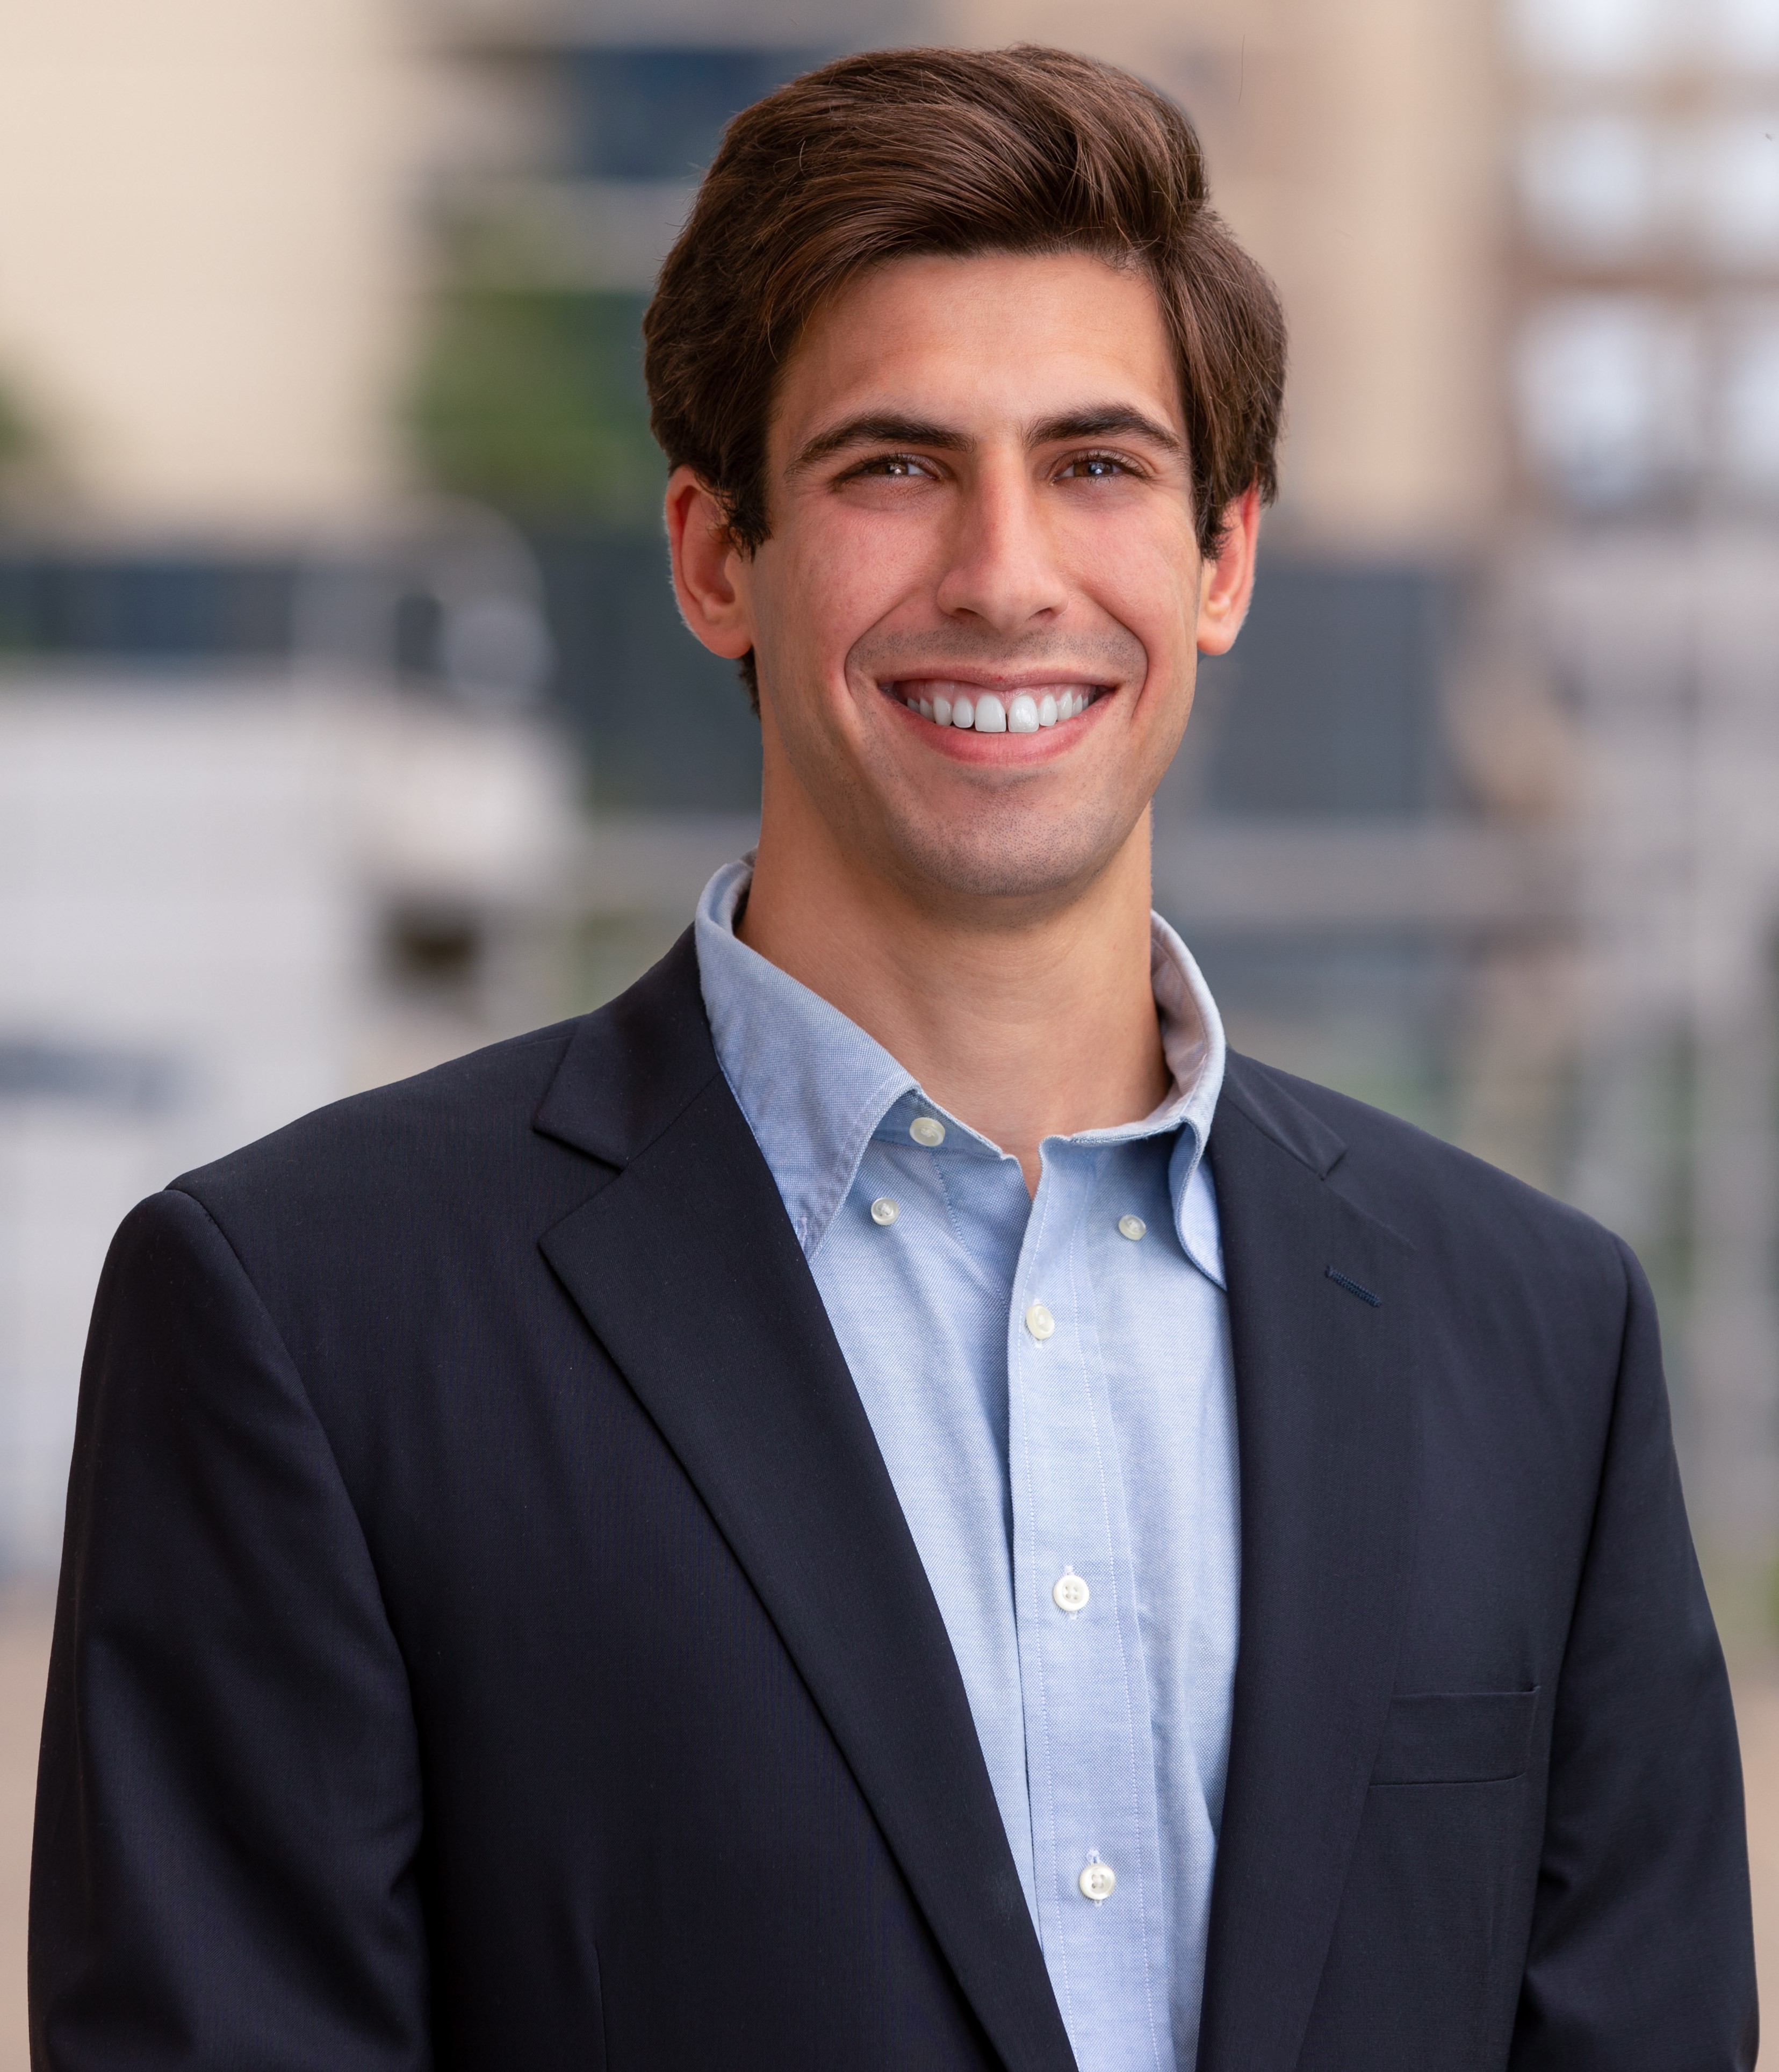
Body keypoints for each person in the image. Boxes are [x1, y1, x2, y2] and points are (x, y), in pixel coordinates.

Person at [30, 44, 1754, 2072]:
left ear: (1223, 561)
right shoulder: (308, 1322)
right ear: (711, 556)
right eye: (894, 466)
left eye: (1100, 464)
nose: (1008, 572)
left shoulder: (1541, 1339)